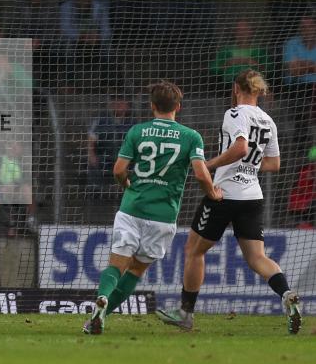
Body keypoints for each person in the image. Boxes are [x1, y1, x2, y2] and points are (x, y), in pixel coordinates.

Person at [157, 70, 303, 334]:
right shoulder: (268, 120)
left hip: (223, 194)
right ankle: (287, 294)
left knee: (193, 250)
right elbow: (274, 163)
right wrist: (248, 169)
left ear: (237, 88)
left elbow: (240, 147)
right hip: (252, 196)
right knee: (257, 257)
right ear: (259, 91)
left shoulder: (235, 113)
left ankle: (185, 315)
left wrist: (209, 164)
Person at [84, 81, 222, 335]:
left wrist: (126, 184)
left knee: (116, 265)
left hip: (132, 208)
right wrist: (213, 193)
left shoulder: (137, 131)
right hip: (163, 215)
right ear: (177, 107)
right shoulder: (191, 136)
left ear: (152, 106)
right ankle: (103, 312)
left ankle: (100, 302)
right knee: (136, 269)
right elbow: (202, 176)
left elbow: (118, 170)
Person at [87, 97, 135, 189]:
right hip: (103, 162)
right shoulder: (102, 120)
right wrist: (92, 156)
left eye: (122, 102)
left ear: (127, 106)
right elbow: (91, 138)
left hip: (124, 162)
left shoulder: (132, 123)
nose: (118, 104)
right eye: (116, 102)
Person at [210, 19, 271, 87]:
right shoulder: (226, 50)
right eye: (239, 30)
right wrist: (226, 64)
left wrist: (254, 63)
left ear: (251, 31)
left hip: (253, 86)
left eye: (245, 30)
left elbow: (269, 70)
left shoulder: (259, 51)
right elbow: (213, 69)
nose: (242, 33)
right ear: (234, 32)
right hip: (228, 87)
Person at [283, 15, 316, 138]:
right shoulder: (291, 44)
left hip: (314, 86)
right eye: (303, 27)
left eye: (310, 26)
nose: (307, 30)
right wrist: (312, 66)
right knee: (301, 103)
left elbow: (298, 67)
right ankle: (301, 143)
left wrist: (302, 64)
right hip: (297, 87)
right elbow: (294, 71)